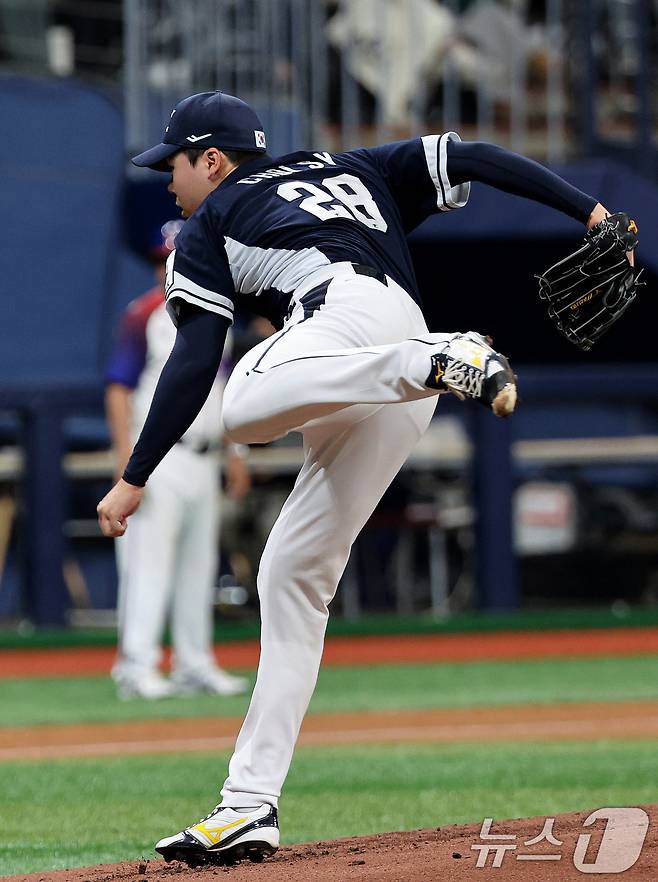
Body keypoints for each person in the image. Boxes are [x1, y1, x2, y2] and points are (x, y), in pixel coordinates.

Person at [96, 90, 626, 865]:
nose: (168, 181)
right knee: (290, 576)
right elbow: (476, 155)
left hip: (358, 337)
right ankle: (247, 805)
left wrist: (133, 475)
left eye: (173, 164)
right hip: (392, 368)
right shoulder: (352, 166)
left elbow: (191, 360)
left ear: (211, 160)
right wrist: (591, 211)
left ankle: (438, 360)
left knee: (239, 403)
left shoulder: (209, 223)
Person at [105, 219, 250, 700]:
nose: (166, 265)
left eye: (175, 255)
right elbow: (119, 387)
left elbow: (223, 388)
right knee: (149, 562)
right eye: (160, 258)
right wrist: (127, 461)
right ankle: (137, 664)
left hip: (206, 455)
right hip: (160, 461)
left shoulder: (214, 312)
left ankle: (194, 662)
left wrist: (235, 452)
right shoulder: (144, 313)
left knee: (198, 565)